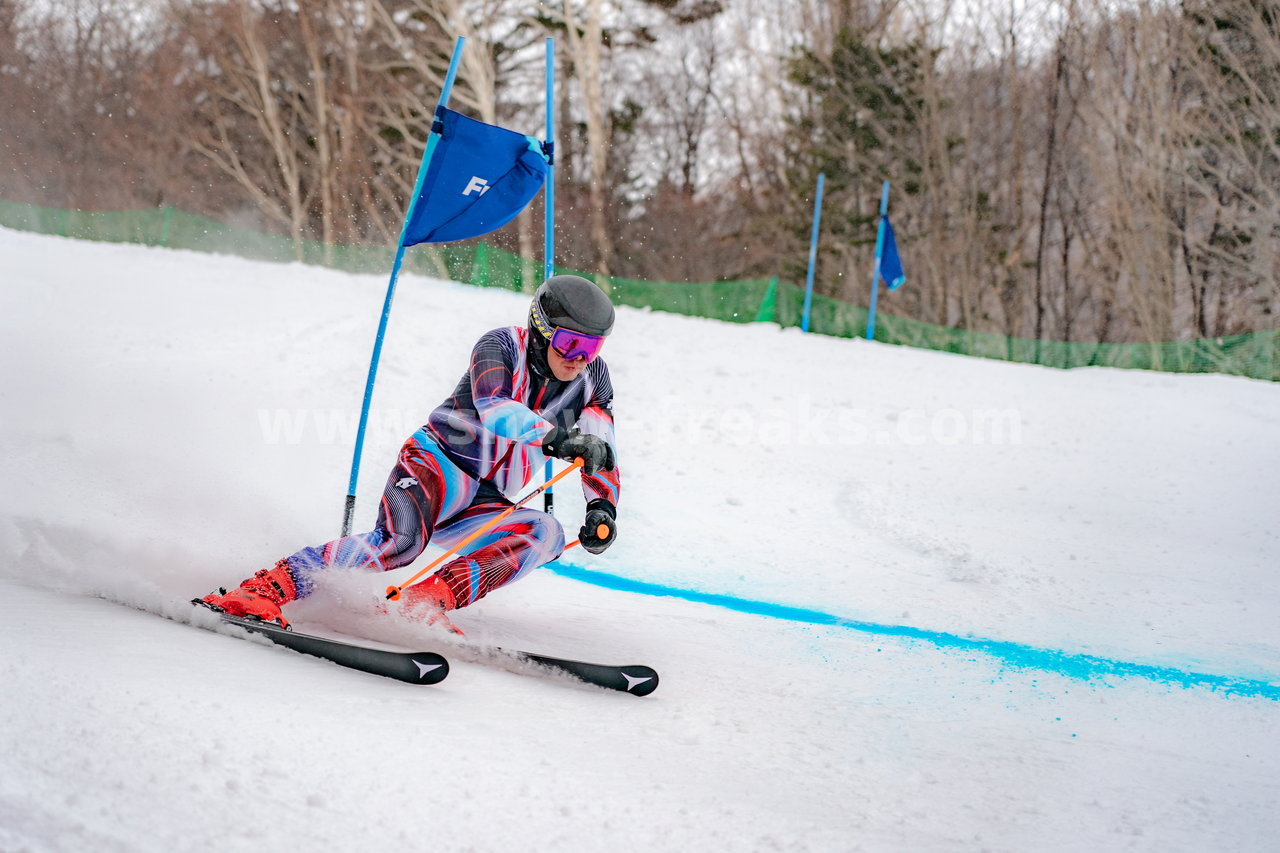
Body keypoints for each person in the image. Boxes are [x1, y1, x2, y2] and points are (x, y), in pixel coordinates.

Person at [198, 274, 621, 629]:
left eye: (591, 348)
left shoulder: (593, 379)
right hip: (436, 465)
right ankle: (262, 589)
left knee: (545, 534)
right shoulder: (501, 345)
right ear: (543, 328)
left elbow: (602, 449)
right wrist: (558, 440)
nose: (579, 359)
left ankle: (424, 602)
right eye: (570, 344)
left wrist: (602, 506)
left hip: (485, 500)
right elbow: (495, 406)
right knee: (399, 545)